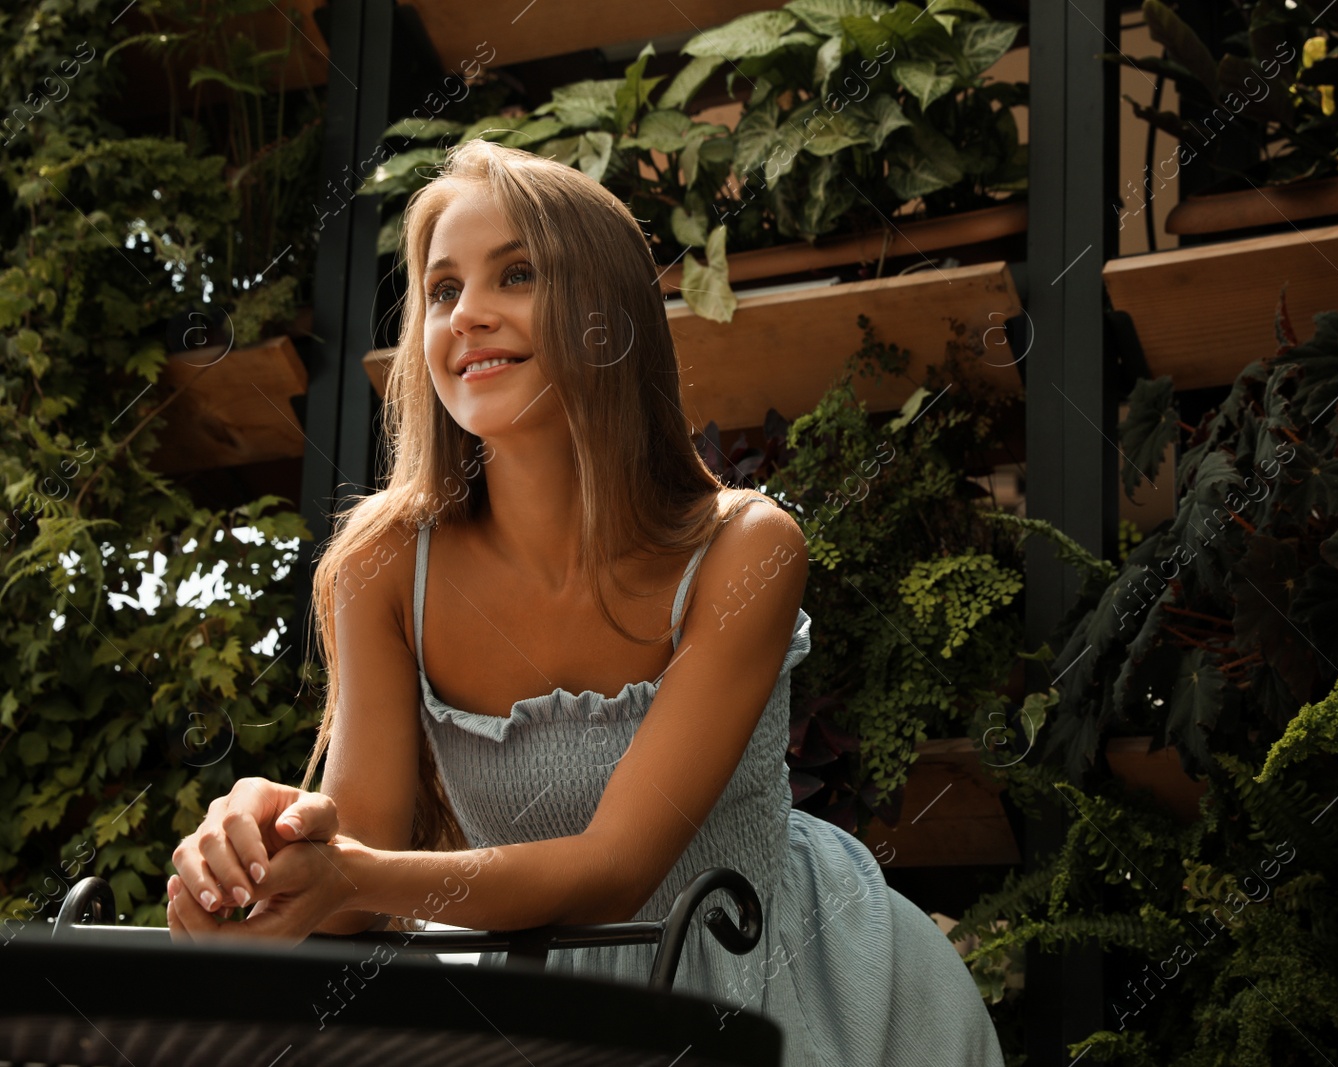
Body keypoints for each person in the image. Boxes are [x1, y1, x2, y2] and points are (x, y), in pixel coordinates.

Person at [166, 137, 1006, 1066]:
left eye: (516, 275)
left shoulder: (746, 547)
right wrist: (267, 833)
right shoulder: (380, 564)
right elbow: (357, 866)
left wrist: (344, 871)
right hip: (519, 1009)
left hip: (776, 979)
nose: (468, 315)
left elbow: (616, 870)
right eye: (442, 291)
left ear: (610, 319)